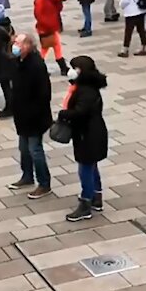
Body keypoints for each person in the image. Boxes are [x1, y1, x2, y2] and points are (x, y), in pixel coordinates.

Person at [59, 56, 108, 222]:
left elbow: (80, 112)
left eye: (74, 68)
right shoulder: (87, 87)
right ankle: (96, 197)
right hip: (92, 132)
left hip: (88, 135)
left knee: (85, 168)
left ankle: (86, 203)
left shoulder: (85, 90)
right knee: (91, 166)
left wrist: (63, 114)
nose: (71, 70)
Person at [9, 32, 53, 199]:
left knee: (35, 149)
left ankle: (44, 183)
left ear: (28, 46)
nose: (15, 46)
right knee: (24, 149)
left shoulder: (36, 65)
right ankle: (27, 176)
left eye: (18, 44)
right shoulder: (18, 62)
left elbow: (44, 93)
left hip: (35, 117)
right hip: (21, 115)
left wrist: (34, 112)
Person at [34, 0, 69, 75]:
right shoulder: (40, 0)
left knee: (55, 46)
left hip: (52, 27)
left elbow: (59, 9)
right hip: (46, 28)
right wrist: (48, 25)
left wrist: (59, 0)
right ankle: (60, 67)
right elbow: (38, 15)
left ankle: (62, 67)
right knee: (47, 48)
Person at [0, 14, 16, 119]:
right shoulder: (8, 26)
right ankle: (10, 107)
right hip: (9, 59)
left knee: (5, 86)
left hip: (2, 62)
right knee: (8, 86)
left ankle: (9, 108)